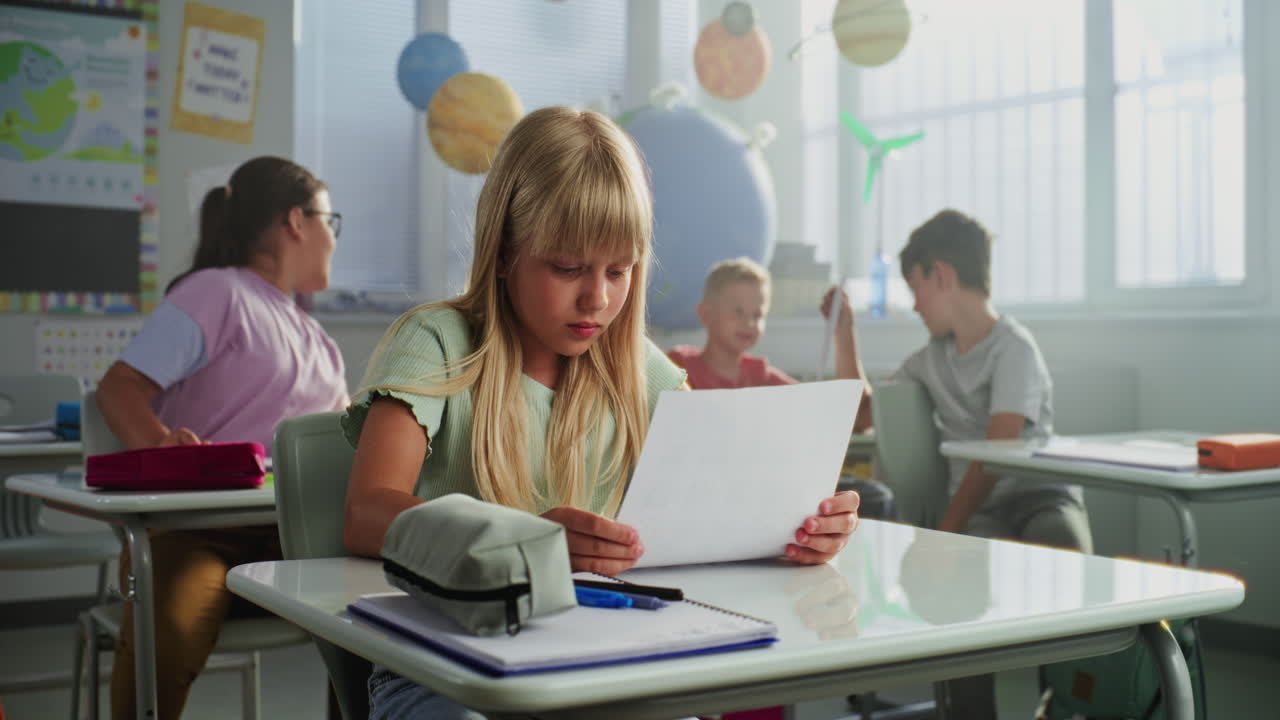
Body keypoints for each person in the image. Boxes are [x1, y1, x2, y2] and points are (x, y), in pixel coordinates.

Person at [341, 107, 861, 720]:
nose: (599, 297)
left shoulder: (645, 373)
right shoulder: (436, 343)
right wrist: (528, 544)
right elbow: (367, 512)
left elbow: (710, 525)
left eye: (619, 271)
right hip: (443, 668)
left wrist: (793, 533)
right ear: (504, 251)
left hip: (606, 663)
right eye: (567, 268)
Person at [96, 155, 349, 719]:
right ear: (296, 221)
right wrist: (162, 444)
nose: (334, 241)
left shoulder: (317, 338)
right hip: (200, 535)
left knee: (381, 616)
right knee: (173, 625)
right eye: (330, 223)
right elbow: (119, 388)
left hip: (293, 538)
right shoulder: (217, 293)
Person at [829, 208, 1090, 719]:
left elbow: (995, 456)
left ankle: (1066, 700)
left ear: (942, 275)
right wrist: (844, 333)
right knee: (955, 590)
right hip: (981, 513)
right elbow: (862, 414)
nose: (915, 306)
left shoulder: (1014, 349)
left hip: (1038, 496)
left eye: (916, 288)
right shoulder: (932, 358)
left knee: (1063, 544)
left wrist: (943, 535)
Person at [668, 257, 896, 522]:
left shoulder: (764, 377)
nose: (749, 323)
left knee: (877, 498)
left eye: (757, 314)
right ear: (706, 315)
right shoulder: (678, 365)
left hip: (767, 489)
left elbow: (858, 419)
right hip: (707, 489)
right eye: (738, 312)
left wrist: (842, 332)